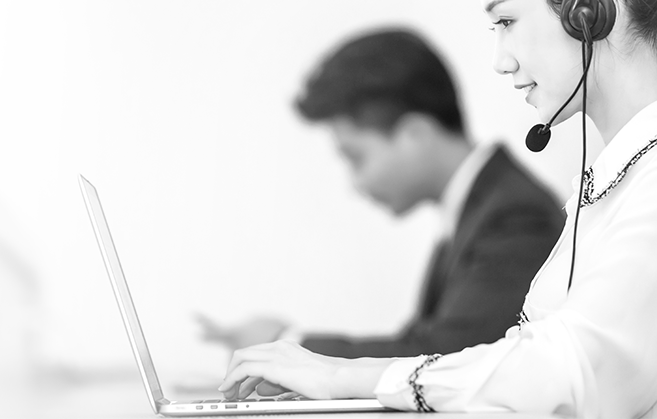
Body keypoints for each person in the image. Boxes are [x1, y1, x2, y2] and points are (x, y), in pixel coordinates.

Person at [216, 0, 657, 418]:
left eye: (506, 20)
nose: (500, 61)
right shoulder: (635, 178)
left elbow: (567, 373)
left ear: (591, 5)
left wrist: (343, 375)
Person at [197, 28, 564, 357]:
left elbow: (445, 355)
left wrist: (288, 344)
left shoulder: (515, 216)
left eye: (355, 157)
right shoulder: (477, 205)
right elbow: (424, 343)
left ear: (414, 134)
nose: (355, 185)